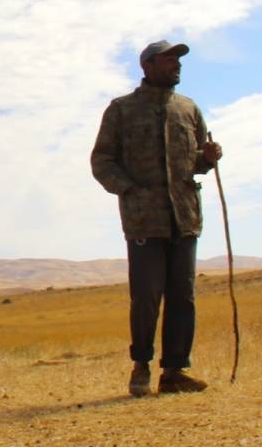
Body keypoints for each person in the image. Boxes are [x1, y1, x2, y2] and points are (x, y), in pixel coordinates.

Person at [90, 40, 223, 397]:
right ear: (148, 66)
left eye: (178, 61)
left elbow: (196, 161)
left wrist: (208, 157)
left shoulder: (188, 109)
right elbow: (101, 161)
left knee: (184, 296)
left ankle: (175, 372)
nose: (176, 65)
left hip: (185, 217)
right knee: (146, 297)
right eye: (169, 60)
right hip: (143, 220)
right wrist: (129, 190)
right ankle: (142, 366)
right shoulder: (121, 110)